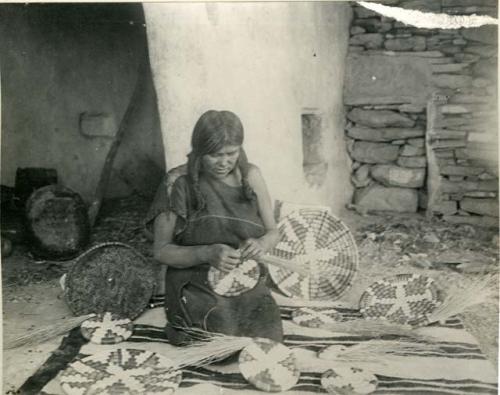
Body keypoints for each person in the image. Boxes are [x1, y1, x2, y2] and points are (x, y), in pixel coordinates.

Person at [145, 110, 283, 345]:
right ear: (199, 151)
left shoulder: (250, 176)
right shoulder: (177, 182)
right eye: (215, 155)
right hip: (193, 276)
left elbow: (274, 232)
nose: (224, 162)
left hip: (242, 275)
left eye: (232, 153)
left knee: (267, 334)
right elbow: (161, 250)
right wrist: (206, 253)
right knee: (219, 331)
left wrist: (261, 244)